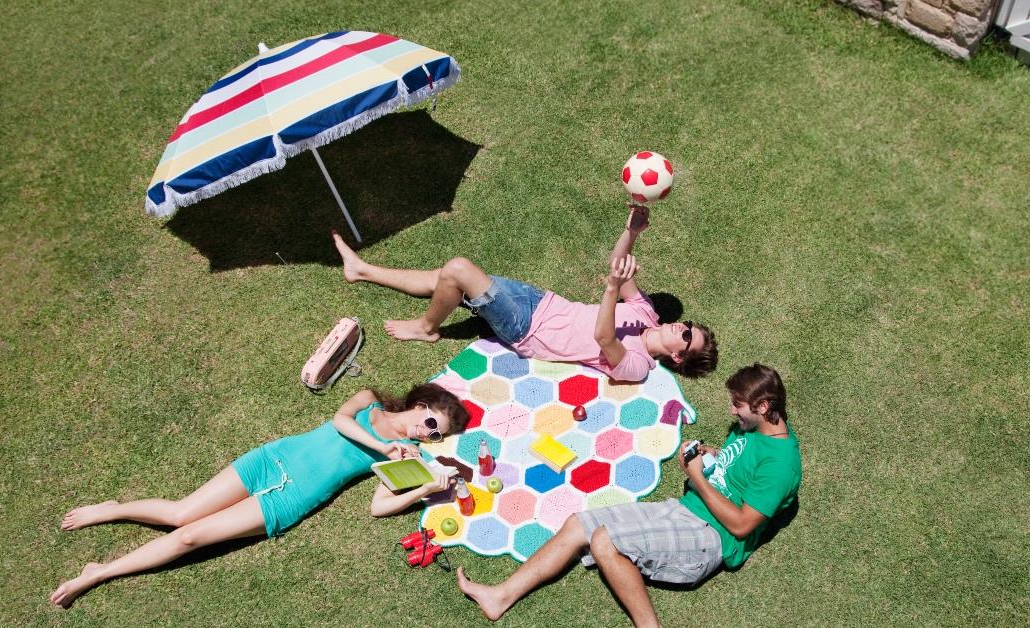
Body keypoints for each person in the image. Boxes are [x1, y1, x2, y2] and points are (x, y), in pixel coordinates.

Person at [50, 383, 469, 608]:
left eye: (438, 435)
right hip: (270, 461)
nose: (429, 434)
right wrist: (382, 446)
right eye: (433, 423)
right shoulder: (370, 401)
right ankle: (115, 509)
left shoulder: (409, 456)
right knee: (181, 514)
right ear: (420, 404)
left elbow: (380, 507)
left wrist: (426, 489)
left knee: (188, 538)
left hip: (289, 500)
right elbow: (340, 420)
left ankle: (99, 572)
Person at [456, 364, 801, 627]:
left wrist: (698, 478)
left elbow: (742, 526)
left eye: (738, 405)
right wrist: (708, 454)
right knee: (579, 524)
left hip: (709, 538)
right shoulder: (753, 430)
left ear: (763, 405)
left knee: (606, 542)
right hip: (681, 510)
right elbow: (736, 465)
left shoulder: (780, 464)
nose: (731, 411)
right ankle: (500, 596)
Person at [333, 205, 717, 382]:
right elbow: (617, 262)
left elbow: (603, 337)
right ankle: (362, 270)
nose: (681, 326)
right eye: (688, 324)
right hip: (541, 301)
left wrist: (613, 290)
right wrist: (631, 233)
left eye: (687, 336)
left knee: (458, 269)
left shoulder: (638, 366)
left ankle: (426, 327)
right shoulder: (647, 313)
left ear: (679, 357)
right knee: (446, 280)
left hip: (528, 330)